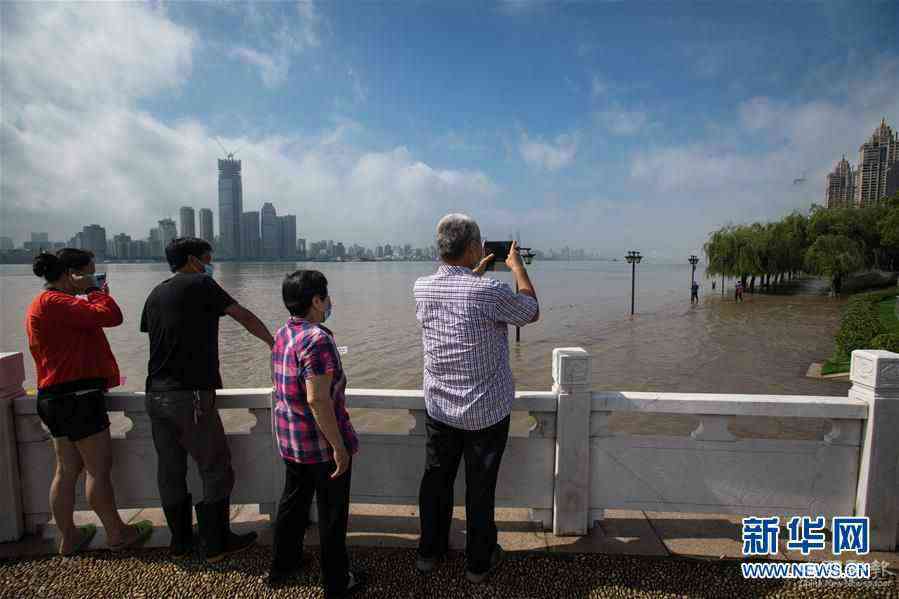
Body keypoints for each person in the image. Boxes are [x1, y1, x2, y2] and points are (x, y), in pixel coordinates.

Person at [413, 214, 539, 583]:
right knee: (479, 489)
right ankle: (478, 563)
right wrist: (517, 268)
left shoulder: (421, 288)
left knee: (436, 481)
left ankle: (429, 552)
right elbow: (530, 311)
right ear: (472, 247)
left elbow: (458, 299)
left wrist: (474, 272)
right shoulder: (491, 292)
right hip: (485, 411)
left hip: (439, 408)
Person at [140, 238, 274, 562]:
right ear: (192, 260)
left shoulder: (155, 293)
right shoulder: (202, 284)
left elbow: (153, 332)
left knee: (170, 471)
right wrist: (275, 343)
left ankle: (181, 543)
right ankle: (216, 543)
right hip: (191, 397)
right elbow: (242, 316)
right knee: (215, 467)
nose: (210, 261)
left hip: (155, 395)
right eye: (207, 257)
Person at [26, 250, 153, 555]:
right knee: (97, 469)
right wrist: (95, 291)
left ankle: (68, 537)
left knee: (67, 469)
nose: (95, 278)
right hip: (78, 398)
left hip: (55, 397)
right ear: (72, 274)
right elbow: (112, 316)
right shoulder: (56, 302)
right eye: (91, 272)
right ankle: (117, 533)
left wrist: (89, 294)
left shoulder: (45, 304)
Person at [267, 270, 366, 598]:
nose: (329, 302)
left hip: (290, 437)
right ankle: (337, 581)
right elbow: (317, 397)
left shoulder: (283, 332)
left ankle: (283, 566)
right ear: (316, 301)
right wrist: (338, 446)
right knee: (332, 513)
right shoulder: (318, 339)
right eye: (326, 297)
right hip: (320, 443)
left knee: (292, 503)